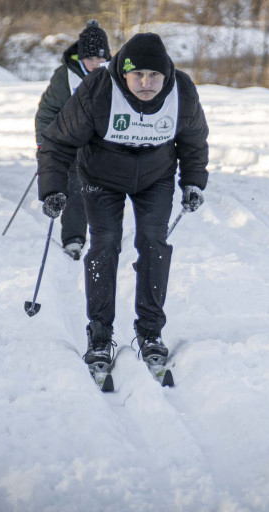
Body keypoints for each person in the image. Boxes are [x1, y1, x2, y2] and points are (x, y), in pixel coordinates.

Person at [36, 32, 209, 367]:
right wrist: (54, 188)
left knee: (153, 242)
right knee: (105, 243)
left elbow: (194, 141)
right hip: (101, 176)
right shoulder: (99, 88)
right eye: (137, 74)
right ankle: (100, 334)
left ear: (166, 74)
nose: (146, 83)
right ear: (124, 72)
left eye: (154, 75)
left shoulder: (182, 91)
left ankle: (150, 331)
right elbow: (58, 140)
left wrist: (193, 183)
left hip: (156, 177)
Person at [34, 20, 111, 260]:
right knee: (76, 188)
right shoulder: (65, 76)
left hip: (104, 144)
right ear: (80, 57)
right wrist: (44, 146)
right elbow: (47, 113)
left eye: (100, 58)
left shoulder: (115, 74)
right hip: (71, 143)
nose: (96, 64)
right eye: (90, 59)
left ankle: (108, 238)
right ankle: (74, 239)